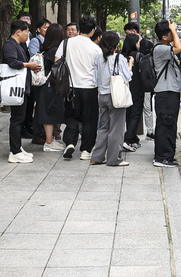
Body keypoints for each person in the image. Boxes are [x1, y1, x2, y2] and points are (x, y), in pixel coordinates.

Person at [57, 14, 101, 161]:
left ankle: (70, 143)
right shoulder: (96, 49)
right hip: (90, 88)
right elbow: (99, 70)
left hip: (71, 87)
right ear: (92, 31)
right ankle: (86, 150)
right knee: (89, 119)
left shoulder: (66, 43)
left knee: (71, 117)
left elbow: (57, 61)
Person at [89, 31, 132, 166]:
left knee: (103, 127)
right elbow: (128, 76)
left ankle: (97, 156)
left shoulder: (98, 58)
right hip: (116, 96)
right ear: (116, 44)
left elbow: (95, 78)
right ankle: (114, 159)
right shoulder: (119, 59)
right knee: (116, 129)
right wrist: (130, 64)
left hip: (102, 95)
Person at [1, 19, 41, 163]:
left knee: (20, 119)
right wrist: (28, 65)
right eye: (26, 32)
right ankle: (15, 151)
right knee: (17, 119)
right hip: (16, 88)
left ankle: (18, 148)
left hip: (22, 87)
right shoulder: (9, 45)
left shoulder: (18, 45)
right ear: (18, 32)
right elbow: (12, 62)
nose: (28, 35)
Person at [150, 19, 181, 168]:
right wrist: (174, 30)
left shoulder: (165, 48)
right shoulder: (160, 49)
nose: (174, 33)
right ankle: (163, 158)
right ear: (164, 36)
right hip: (166, 92)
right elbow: (179, 48)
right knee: (166, 124)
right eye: (171, 32)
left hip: (169, 91)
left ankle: (166, 155)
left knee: (168, 124)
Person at [36, 23, 66, 151]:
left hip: (45, 85)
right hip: (51, 86)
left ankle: (50, 140)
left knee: (48, 112)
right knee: (49, 113)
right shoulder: (55, 51)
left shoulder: (45, 49)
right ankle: (48, 142)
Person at [22, 18, 50, 140]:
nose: (47, 30)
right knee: (39, 105)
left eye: (49, 27)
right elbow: (35, 57)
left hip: (43, 76)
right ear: (38, 29)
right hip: (38, 76)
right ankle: (37, 132)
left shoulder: (47, 40)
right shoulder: (35, 40)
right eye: (45, 27)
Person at [122, 31, 144, 150]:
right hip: (137, 88)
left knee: (128, 114)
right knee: (136, 115)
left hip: (124, 89)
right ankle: (129, 139)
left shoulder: (120, 56)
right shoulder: (138, 56)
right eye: (138, 42)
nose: (139, 44)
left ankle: (133, 137)